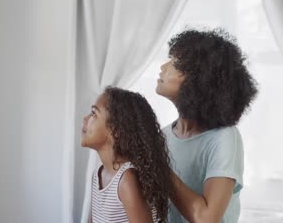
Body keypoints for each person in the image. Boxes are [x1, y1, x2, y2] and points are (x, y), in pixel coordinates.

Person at [156, 28, 258, 222]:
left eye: (175, 63)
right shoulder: (163, 136)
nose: (163, 67)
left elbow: (206, 219)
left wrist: (157, 164)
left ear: (200, 80)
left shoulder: (224, 138)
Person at [81, 86, 173, 223]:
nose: (85, 118)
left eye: (94, 113)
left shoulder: (127, 179)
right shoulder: (98, 174)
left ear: (115, 131)